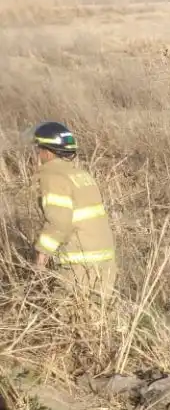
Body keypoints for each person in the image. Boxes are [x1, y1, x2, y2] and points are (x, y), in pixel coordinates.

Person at [31, 121, 117, 302]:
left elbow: (58, 223)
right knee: (97, 321)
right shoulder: (81, 175)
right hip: (105, 261)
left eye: (39, 149)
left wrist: (41, 257)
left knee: (67, 317)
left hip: (80, 265)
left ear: (47, 152)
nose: (37, 154)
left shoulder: (53, 177)